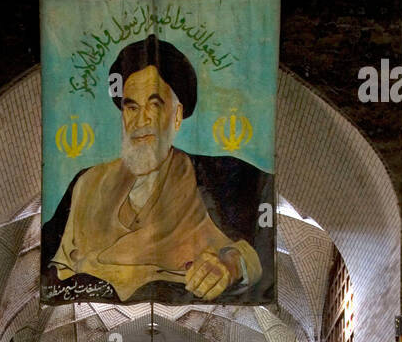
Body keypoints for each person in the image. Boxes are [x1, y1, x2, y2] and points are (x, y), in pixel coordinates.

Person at [42, 37, 268, 304]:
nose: (141, 120)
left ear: (177, 115)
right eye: (131, 107)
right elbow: (48, 263)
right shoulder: (86, 184)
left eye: (154, 105)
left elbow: (256, 248)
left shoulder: (220, 176)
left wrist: (229, 266)